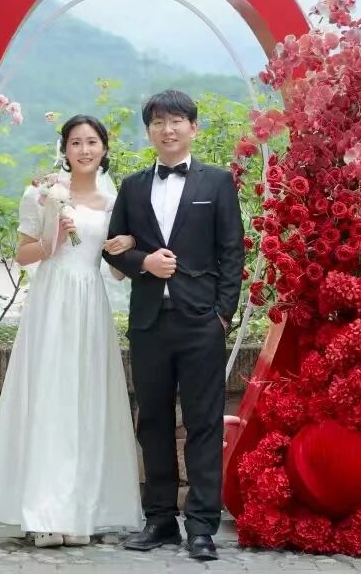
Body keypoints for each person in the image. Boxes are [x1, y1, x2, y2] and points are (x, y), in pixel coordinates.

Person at [0, 115, 143, 547]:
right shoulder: (42, 193)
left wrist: (126, 246)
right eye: (75, 142)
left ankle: (80, 513)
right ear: (64, 149)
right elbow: (23, 255)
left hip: (90, 304)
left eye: (92, 142)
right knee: (49, 397)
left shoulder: (114, 202)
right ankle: (43, 513)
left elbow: (117, 272)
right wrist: (54, 239)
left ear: (104, 148)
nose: (84, 150)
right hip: (51, 303)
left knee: (86, 402)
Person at [103, 89, 244, 562]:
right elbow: (114, 249)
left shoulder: (217, 182)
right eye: (159, 122)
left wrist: (223, 314)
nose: (168, 129)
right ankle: (160, 519)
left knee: (203, 423)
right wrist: (145, 262)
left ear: (193, 128)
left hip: (202, 321)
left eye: (177, 121)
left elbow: (232, 252)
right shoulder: (132, 186)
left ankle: (201, 526)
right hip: (148, 322)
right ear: (149, 131)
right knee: (154, 423)